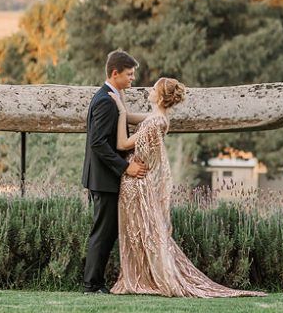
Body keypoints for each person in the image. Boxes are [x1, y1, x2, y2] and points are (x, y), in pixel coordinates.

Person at [107, 77, 267, 298]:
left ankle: (144, 278)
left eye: (153, 88)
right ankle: (143, 275)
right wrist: (121, 97)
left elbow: (122, 144)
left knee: (139, 231)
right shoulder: (159, 118)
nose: (149, 90)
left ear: (160, 97)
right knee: (140, 231)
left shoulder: (154, 123)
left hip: (136, 181)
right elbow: (131, 117)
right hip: (138, 181)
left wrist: (119, 110)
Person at [81, 50, 148, 294]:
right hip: (103, 178)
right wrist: (126, 167)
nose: (132, 78)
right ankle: (92, 285)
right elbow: (98, 143)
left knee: (106, 233)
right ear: (115, 73)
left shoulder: (111, 97)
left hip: (105, 177)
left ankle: (95, 282)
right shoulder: (105, 101)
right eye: (129, 74)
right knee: (102, 233)